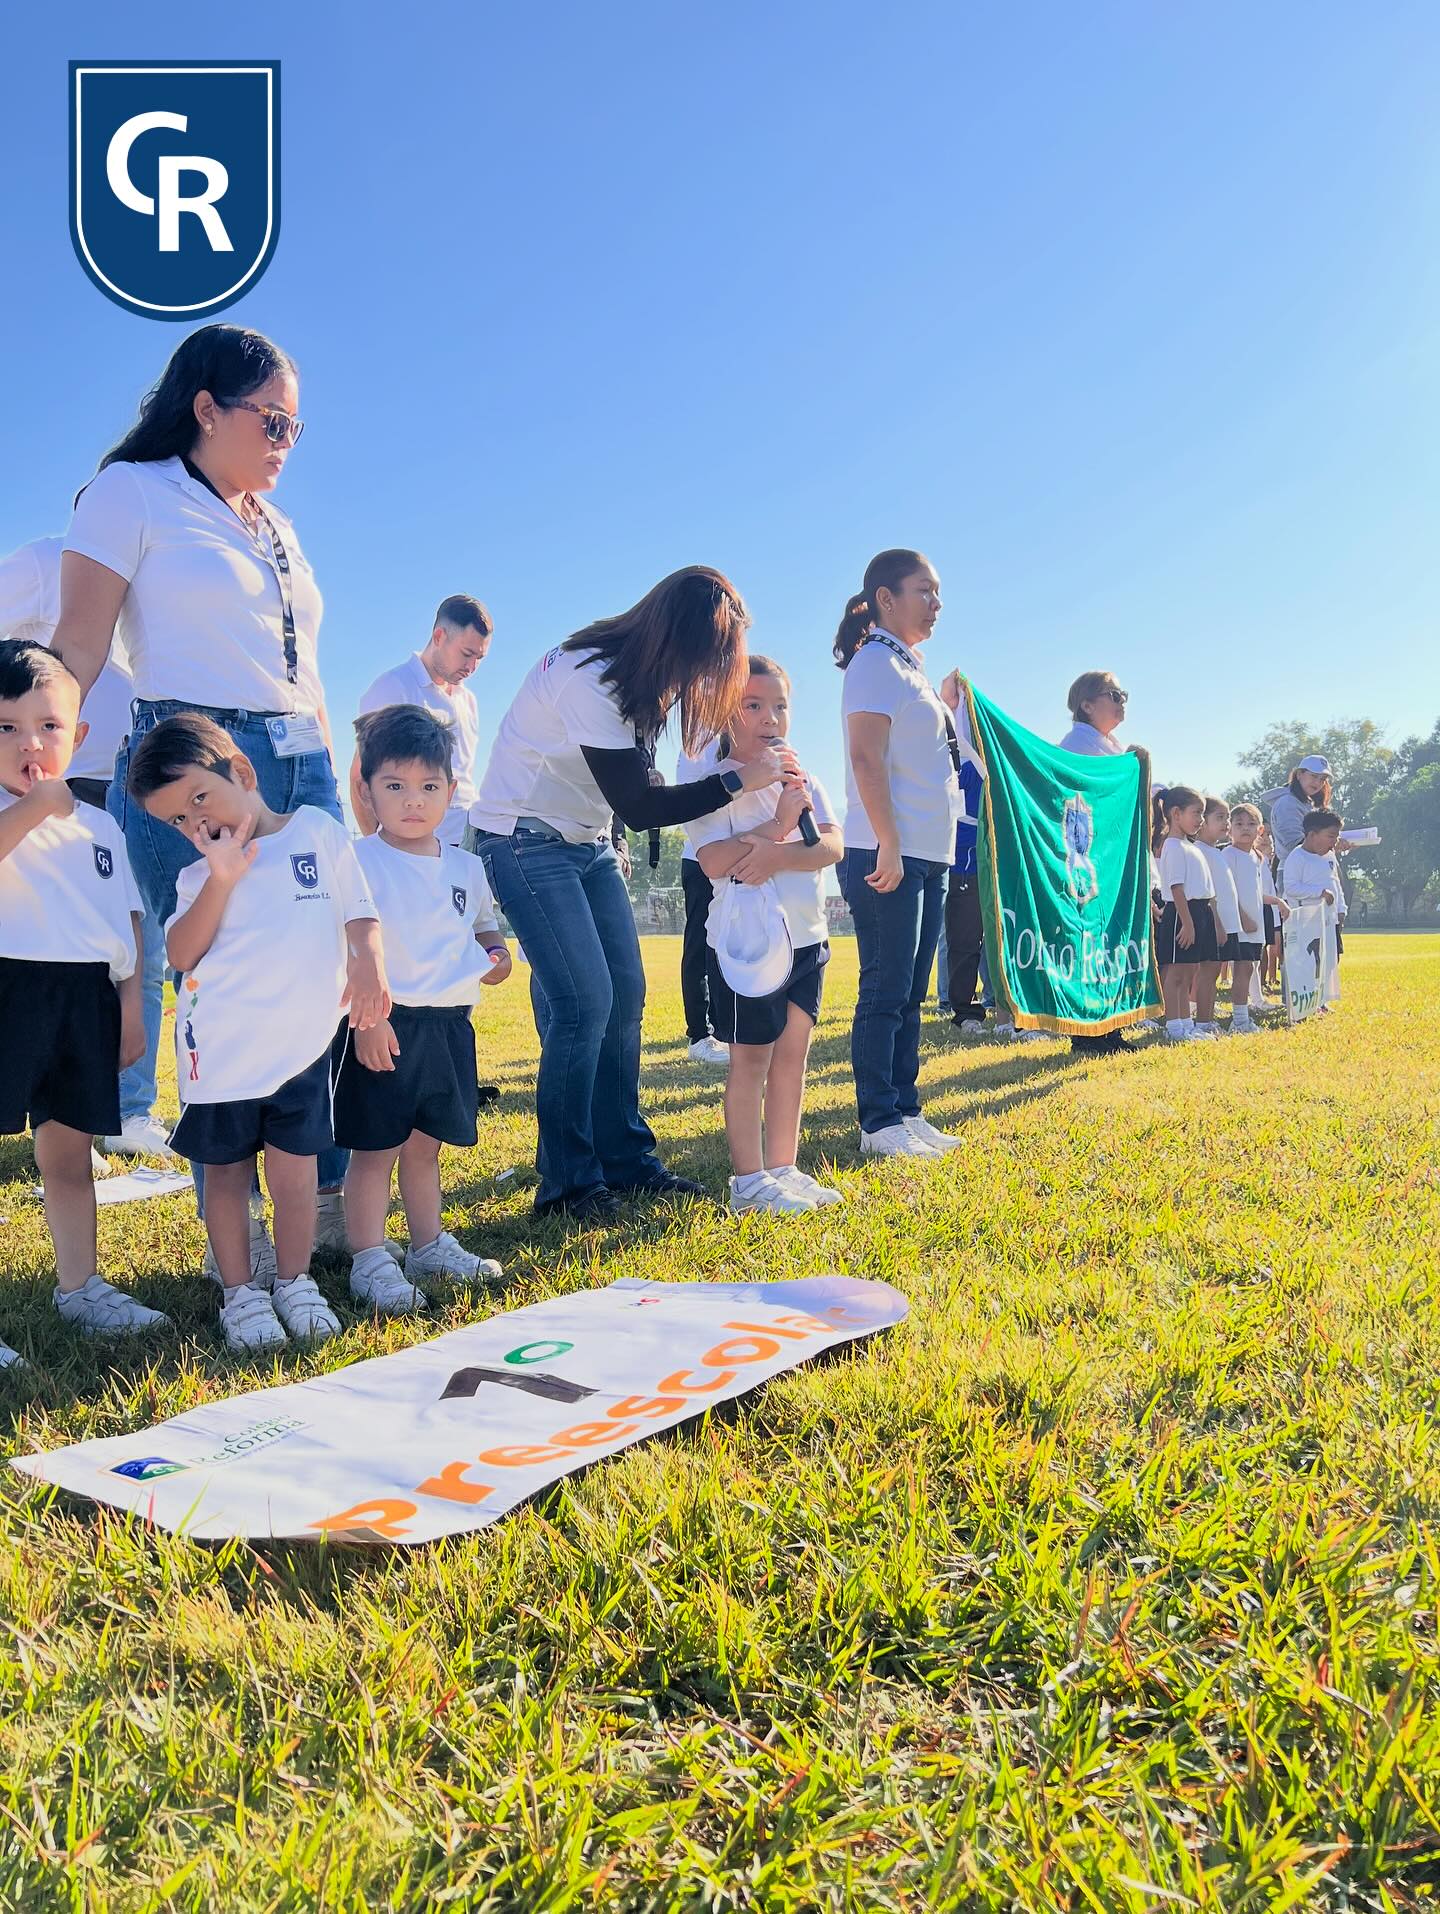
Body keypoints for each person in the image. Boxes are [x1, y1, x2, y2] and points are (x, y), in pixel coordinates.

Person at [51, 324, 355, 1272]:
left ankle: (329, 1206)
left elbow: (303, 667)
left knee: (329, 974)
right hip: (194, 752)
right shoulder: (130, 493)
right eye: (271, 420)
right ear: (205, 407)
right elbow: (79, 648)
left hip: (299, 761)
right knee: (221, 980)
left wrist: (337, 777)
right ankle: (241, 1231)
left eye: (296, 429)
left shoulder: (276, 524)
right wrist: (34, 774)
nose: (284, 443)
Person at [470, 566, 799, 1220]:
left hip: (586, 844)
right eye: (716, 660)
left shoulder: (648, 683)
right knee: (583, 1002)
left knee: (625, 997)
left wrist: (613, 842)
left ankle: (624, 1163)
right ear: (682, 639)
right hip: (523, 842)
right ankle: (567, 1185)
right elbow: (642, 801)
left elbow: (622, 791)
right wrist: (741, 780)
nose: (717, 679)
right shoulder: (589, 675)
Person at [127, 715, 389, 1353]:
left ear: (240, 772)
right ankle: (241, 1294)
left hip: (299, 1053)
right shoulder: (196, 879)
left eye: (199, 800)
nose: (196, 825)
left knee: (296, 1176)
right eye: (178, 822)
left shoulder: (317, 832)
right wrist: (220, 878)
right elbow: (182, 953)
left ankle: (296, 1282)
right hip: (218, 1062)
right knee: (225, 1177)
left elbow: (360, 911)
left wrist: (369, 966)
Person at [0, 641, 168, 1361]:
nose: (29, 744)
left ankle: (81, 1286)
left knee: (68, 1154)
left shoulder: (101, 825)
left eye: (48, 726)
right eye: (5, 727)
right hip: (10, 986)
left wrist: (130, 1006)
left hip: (83, 999)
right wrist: (35, 808)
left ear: (81, 736)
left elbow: (125, 921)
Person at [336, 706, 514, 1315]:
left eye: (428, 787)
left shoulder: (467, 865)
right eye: (395, 787)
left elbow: (485, 930)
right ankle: (368, 1257)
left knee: (424, 1144)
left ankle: (428, 1243)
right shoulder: (359, 860)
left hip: (448, 1026)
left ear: (450, 791)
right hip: (386, 1023)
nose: (413, 801)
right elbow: (349, 949)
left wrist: (496, 954)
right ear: (367, 790)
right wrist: (369, 1020)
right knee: (375, 1148)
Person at [0, 536, 172, 1163]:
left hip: (122, 783)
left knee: (137, 949)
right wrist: (31, 737)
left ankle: (122, 1110)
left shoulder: (157, 577)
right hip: (38, 790)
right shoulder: (46, 561)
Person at [685, 656, 844, 1214]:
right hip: (746, 948)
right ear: (728, 713)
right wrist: (775, 828)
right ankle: (748, 1181)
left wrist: (774, 855)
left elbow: (830, 846)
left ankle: (783, 1167)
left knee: (792, 1058)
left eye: (779, 706)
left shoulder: (803, 776)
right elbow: (714, 860)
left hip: (808, 938)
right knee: (750, 1060)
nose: (769, 718)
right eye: (753, 705)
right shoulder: (715, 785)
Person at [836, 551, 964, 1157]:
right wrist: (887, 840)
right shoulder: (873, 662)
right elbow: (867, 758)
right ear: (886, 599)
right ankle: (878, 1121)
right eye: (924, 591)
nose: (936, 603)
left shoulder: (909, 669)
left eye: (938, 593)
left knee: (912, 990)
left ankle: (906, 1109)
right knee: (885, 987)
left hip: (927, 851)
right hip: (888, 849)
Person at [352, 595, 491, 849]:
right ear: (439, 637)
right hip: (409, 847)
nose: (472, 666)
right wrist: (376, 851)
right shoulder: (393, 687)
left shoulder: (468, 700)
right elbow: (360, 775)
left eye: (479, 658)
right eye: (466, 653)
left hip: (468, 843)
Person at [1057, 671, 1138, 1053]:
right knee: (1088, 943)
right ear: (1086, 704)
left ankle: (1109, 1026)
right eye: (1113, 694)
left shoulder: (1110, 745)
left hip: (1107, 862)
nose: (1122, 700)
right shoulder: (1078, 743)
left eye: (1123, 694)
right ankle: (1088, 1033)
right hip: (1085, 860)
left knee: (1107, 945)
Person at [676, 733, 729, 1065]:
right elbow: (689, 802)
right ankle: (700, 1033)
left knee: (731, 944)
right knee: (701, 946)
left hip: (743, 855)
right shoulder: (699, 738)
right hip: (702, 857)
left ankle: (727, 1028)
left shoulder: (753, 731)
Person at [1152, 784, 1217, 1043]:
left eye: (1202, 814)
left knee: (1189, 971)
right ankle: (1174, 1026)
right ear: (1176, 813)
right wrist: (1187, 924)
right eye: (1196, 813)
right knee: (1176, 973)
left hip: (1198, 911)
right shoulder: (1173, 846)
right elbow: (1176, 888)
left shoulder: (1189, 845)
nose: (1200, 820)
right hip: (1182, 914)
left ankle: (1187, 1024)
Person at [1222, 803, 1288, 1033]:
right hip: (1239, 926)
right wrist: (1243, 919)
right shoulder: (1228, 855)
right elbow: (1226, 892)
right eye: (1238, 824)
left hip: (1255, 927)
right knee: (1241, 971)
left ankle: (1243, 1017)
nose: (1245, 829)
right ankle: (1239, 1021)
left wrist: (1277, 902)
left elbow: (1256, 892)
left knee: (1250, 968)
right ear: (1229, 828)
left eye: (1251, 824)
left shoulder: (1257, 857)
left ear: (1260, 830)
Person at [943, 753, 987, 1033]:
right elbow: (951, 814)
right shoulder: (969, 770)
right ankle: (964, 1011)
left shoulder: (1005, 770)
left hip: (997, 871)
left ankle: (1006, 1005)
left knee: (998, 944)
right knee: (964, 942)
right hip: (966, 868)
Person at [1193, 797, 1243, 1036]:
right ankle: (1202, 1022)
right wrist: (1218, 925)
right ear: (1202, 822)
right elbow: (1208, 895)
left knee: (1213, 973)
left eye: (1227, 818)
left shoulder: (1215, 852)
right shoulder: (1199, 852)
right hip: (1214, 924)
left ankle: (1207, 1019)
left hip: (1227, 924)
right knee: (1208, 973)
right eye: (1219, 818)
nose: (1226, 823)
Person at [1261, 756, 1332, 869]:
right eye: (1314, 776)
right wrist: (1330, 843)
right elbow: (1293, 843)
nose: (1318, 782)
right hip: (1293, 870)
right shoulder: (1287, 803)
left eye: (1322, 779)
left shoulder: (1308, 804)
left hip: (1308, 869)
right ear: (1299, 774)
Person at [1059, 672, 1129, 756]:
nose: (1122, 699)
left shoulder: (1107, 743)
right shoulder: (1076, 745)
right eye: (1115, 694)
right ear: (1087, 707)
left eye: (1123, 694)